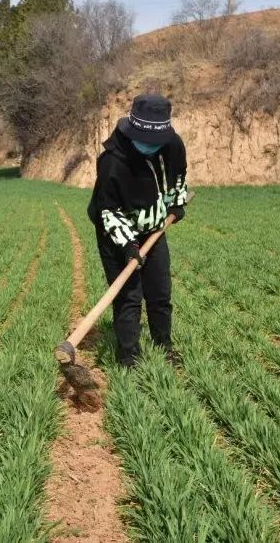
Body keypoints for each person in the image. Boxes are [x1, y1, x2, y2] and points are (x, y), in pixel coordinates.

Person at [86, 94, 188, 368]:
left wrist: (177, 204)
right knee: (128, 295)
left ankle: (163, 347)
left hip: (153, 228)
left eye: (157, 142)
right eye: (146, 141)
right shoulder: (111, 162)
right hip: (116, 231)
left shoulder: (173, 145)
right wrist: (129, 247)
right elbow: (109, 211)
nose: (151, 147)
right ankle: (129, 357)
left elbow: (178, 176)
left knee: (159, 291)